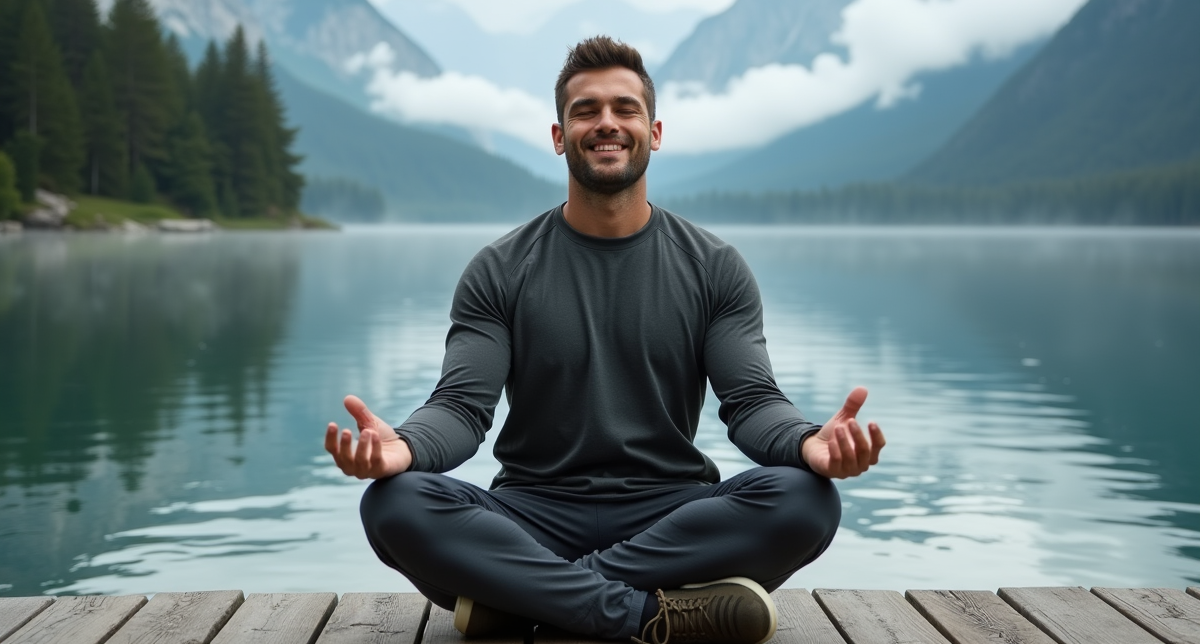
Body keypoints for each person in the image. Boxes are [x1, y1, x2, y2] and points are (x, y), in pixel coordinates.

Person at [325, 36, 886, 644]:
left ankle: (524, 600)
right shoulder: (499, 269)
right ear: (560, 135)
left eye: (625, 108)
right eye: (586, 111)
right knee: (393, 504)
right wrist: (403, 449)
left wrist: (807, 443)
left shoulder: (714, 267)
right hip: (531, 512)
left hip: (672, 513)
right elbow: (462, 407)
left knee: (808, 500)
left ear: (655, 130)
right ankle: (646, 616)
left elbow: (751, 402)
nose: (607, 124)